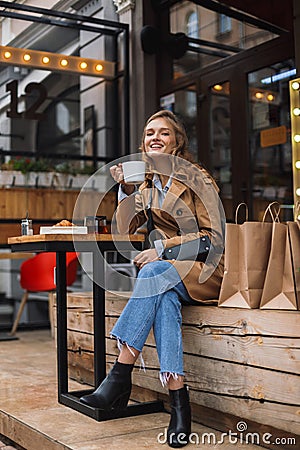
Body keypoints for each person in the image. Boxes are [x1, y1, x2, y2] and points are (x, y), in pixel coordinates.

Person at [80, 110, 225, 448]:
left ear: (177, 142)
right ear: (143, 144)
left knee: (154, 270)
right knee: (163, 298)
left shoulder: (197, 178)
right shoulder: (147, 183)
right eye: (149, 134)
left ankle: (119, 374)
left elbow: (214, 238)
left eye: (163, 133)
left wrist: (164, 250)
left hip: (205, 271)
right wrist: (125, 189)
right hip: (169, 279)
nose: (154, 138)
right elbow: (125, 230)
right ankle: (179, 402)